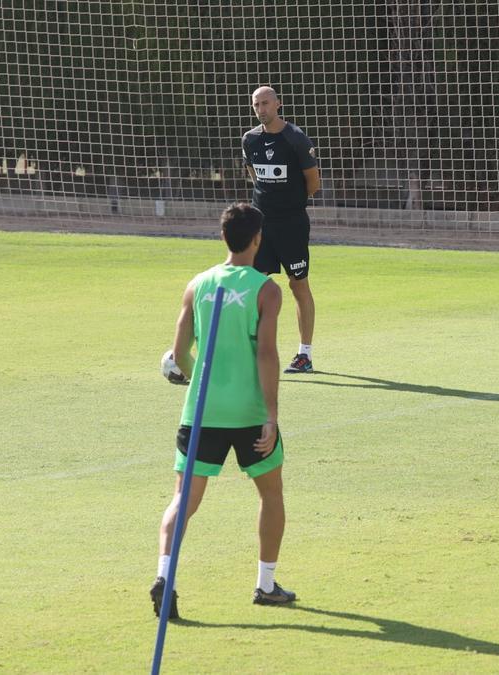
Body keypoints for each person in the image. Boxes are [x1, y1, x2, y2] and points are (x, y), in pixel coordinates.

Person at [150, 202, 296, 620]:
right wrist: (271, 414)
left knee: (183, 500)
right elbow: (266, 353)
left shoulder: (197, 284)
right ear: (258, 240)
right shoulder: (266, 290)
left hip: (200, 414)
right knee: (271, 495)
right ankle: (266, 585)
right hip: (249, 412)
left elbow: (178, 355)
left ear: (222, 237)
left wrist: (197, 376)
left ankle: (165, 577)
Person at [242, 86, 322, 374]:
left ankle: (305, 354)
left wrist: (290, 203)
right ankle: (255, 351)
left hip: (292, 225)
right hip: (261, 225)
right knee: (254, 287)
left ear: (278, 104)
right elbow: (254, 175)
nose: (261, 109)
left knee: (297, 284)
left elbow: (313, 183)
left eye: (265, 103)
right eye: (256, 105)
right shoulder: (249, 139)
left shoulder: (296, 139)